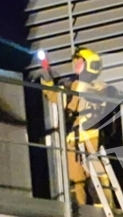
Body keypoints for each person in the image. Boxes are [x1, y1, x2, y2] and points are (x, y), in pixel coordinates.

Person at [42, 47, 108, 206]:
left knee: (98, 176)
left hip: (90, 138)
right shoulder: (76, 85)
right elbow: (55, 97)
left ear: (88, 64)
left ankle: (104, 207)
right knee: (76, 179)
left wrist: (68, 88)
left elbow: (75, 99)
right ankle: (79, 208)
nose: (75, 65)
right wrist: (47, 77)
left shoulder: (99, 87)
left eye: (79, 62)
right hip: (75, 139)